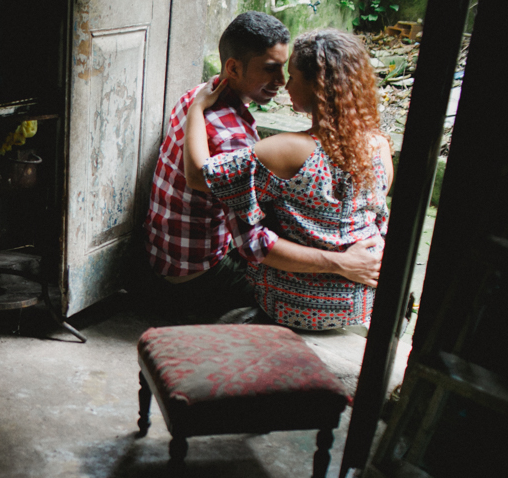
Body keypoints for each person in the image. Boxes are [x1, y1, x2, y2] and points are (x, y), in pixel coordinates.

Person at [143, 11, 381, 319]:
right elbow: (253, 243)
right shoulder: (236, 139)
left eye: (286, 71)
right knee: (302, 273)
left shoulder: (201, 93)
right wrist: (340, 263)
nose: (281, 82)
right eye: (271, 70)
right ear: (233, 68)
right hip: (198, 273)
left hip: (166, 253)